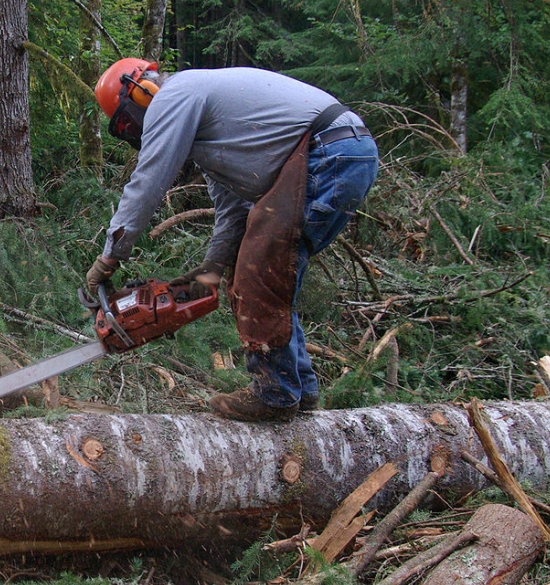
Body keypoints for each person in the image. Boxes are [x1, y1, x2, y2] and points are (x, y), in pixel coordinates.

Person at [85, 58, 379, 422]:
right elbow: (232, 211)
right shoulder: (212, 134)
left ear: (142, 92)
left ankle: (276, 393)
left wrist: (110, 257)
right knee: (274, 272)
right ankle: (300, 388)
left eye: (130, 120)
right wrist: (211, 270)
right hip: (342, 151)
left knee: (261, 270)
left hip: (325, 153)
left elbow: (148, 182)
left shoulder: (174, 95)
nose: (137, 130)